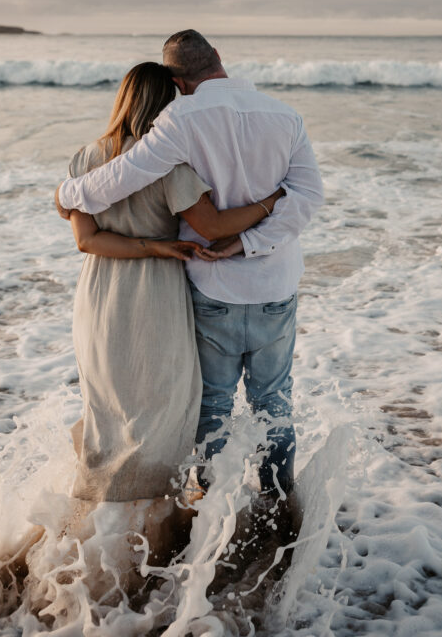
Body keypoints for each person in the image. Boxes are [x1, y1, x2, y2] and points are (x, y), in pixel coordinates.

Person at [56, 32, 324, 499]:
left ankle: (210, 506)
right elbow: (309, 199)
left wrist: (66, 193)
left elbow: (122, 176)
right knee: (275, 400)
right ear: (219, 57)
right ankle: (280, 504)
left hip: (211, 285)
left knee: (214, 403)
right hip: (275, 284)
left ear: (178, 81)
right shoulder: (286, 115)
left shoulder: (178, 118)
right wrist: (251, 240)